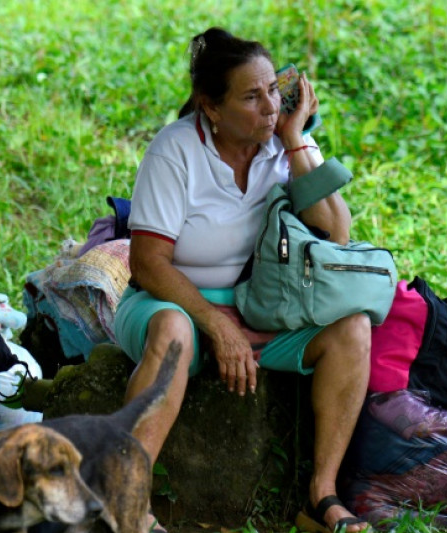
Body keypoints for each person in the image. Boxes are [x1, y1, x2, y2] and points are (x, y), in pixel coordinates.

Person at [112, 27, 371, 533]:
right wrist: (215, 322)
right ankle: (126, 502)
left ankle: (320, 498)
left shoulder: (283, 141)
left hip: (257, 304)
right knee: (174, 333)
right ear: (211, 107)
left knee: (353, 328)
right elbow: (147, 263)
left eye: (273, 89)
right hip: (168, 301)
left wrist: (295, 139)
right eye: (251, 97)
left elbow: (336, 232)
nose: (270, 107)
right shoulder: (175, 151)